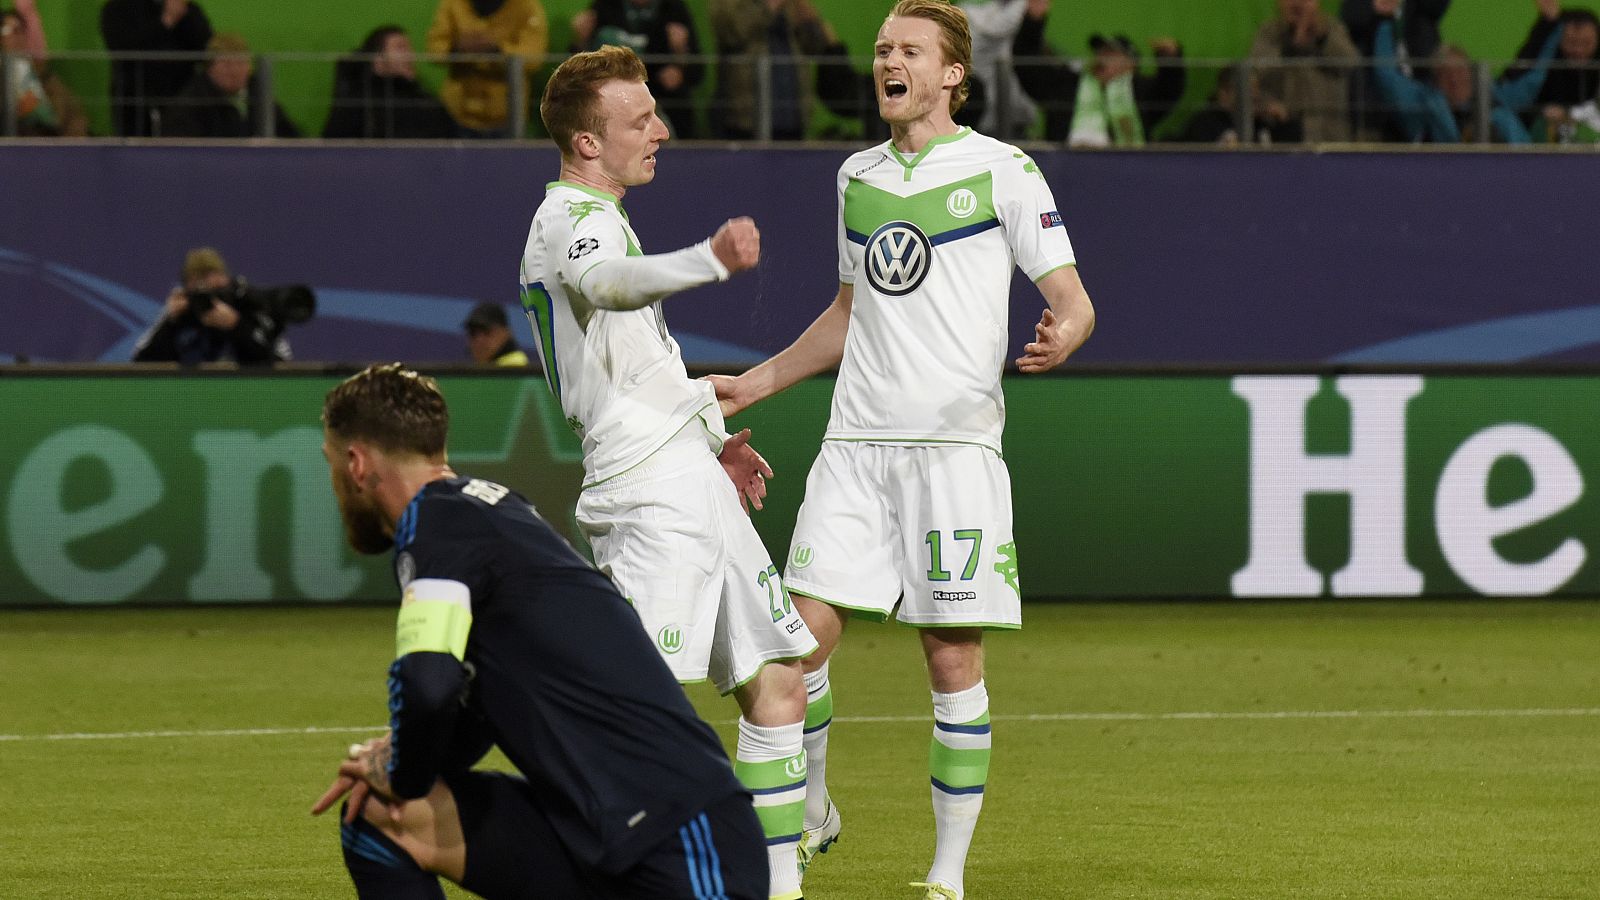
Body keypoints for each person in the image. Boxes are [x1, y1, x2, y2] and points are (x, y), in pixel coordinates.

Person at [708, 2, 1094, 898]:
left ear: (952, 73)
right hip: (854, 448)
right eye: (882, 48)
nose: (888, 60)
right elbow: (849, 313)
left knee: (951, 661)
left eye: (908, 50)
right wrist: (756, 382)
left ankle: (945, 877)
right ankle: (808, 822)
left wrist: (1065, 330)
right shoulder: (857, 176)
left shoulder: (1005, 171)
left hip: (953, 453)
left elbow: (1072, 297)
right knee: (792, 654)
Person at [521, 45, 816, 900]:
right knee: (640, 714)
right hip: (650, 495)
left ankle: (773, 888)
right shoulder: (578, 220)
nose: (662, 129)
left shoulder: (597, 210)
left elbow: (631, 357)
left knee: (778, 684)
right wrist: (708, 261)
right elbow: (608, 285)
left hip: (680, 472)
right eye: (639, 120)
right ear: (585, 142)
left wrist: (704, 422)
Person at [310, 363, 769, 900]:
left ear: (356, 463)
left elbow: (427, 684)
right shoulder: (491, 517)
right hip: (601, 834)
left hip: (685, 838)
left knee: (395, 802)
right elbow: (469, 711)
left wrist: (402, 772)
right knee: (383, 819)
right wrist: (392, 762)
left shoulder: (436, 524)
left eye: (331, 465)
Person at [1371, 4, 1562, 143]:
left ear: (1471, 73)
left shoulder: (1497, 98)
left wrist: (1551, 24)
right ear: (1435, 79)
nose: (1454, 79)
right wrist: (1385, 21)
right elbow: (1386, 73)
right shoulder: (1421, 103)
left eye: (1459, 70)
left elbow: (1535, 76)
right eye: (1445, 73)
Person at [1010, 0, 1184, 144]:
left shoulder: (1142, 91)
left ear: (1131, 64)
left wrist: (1169, 58)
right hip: (1064, 168)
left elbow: (1169, 90)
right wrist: (1032, 22)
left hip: (1129, 170)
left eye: (1111, 52)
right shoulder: (1068, 85)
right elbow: (1028, 68)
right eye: (1100, 51)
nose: (1102, 56)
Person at [131, 247, 306, 365]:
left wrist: (237, 326)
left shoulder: (247, 303)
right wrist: (170, 323)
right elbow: (140, 363)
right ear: (187, 287)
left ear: (226, 280)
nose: (210, 299)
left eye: (216, 289)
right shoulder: (178, 313)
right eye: (200, 289)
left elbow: (282, 364)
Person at [570, 0, 705, 138]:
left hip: (663, 103)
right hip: (612, 104)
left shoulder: (673, 8)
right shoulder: (605, 6)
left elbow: (697, 72)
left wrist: (681, 59)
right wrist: (581, 41)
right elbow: (575, 73)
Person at [709, 0, 836, 140]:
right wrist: (769, 6)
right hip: (745, 117)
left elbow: (814, 48)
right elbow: (730, 32)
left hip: (792, 116)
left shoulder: (791, 5)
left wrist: (810, 21)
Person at [426, 0, 549, 138]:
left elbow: (533, 57)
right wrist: (457, 49)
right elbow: (434, 48)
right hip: (456, 115)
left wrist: (496, 50)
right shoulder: (452, 4)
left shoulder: (527, 6)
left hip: (506, 116)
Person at [1249, 0, 1360, 143]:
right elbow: (1257, 69)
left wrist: (1322, 37)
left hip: (1329, 134)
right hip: (1282, 134)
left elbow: (1350, 63)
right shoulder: (1269, 32)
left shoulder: (1332, 29)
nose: (1297, 4)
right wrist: (1289, 47)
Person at [99, 0, 213, 137]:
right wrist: (166, 21)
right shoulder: (116, 8)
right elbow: (121, 48)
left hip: (182, 99)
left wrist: (182, 16)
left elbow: (206, 50)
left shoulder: (187, 9)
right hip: (133, 99)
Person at [1341, 0, 1451, 138]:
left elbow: (1436, 7)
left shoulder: (1418, 12)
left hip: (1423, 82)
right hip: (1374, 97)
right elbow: (1350, 18)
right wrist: (1376, 7)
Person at [324, 26, 455, 140]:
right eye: (400, 48)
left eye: (409, 48)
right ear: (377, 59)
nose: (410, 55)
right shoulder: (357, 104)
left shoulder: (427, 103)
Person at [162, 32, 301, 138]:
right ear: (210, 68)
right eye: (226, 64)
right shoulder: (191, 103)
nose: (234, 71)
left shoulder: (259, 95)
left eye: (241, 63)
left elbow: (291, 136)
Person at [2, 1, 89, 137]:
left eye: (20, 30)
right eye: (8, 30)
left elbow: (71, 117)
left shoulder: (43, 75)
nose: (16, 36)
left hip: (47, 144)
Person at [1511, 1, 1600, 132]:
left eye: (1586, 43)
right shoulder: (1545, 60)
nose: (1578, 50)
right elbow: (1516, 76)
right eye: (1571, 42)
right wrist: (1547, 23)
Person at [955, 0, 1035, 138]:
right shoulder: (970, 14)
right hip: (978, 107)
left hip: (1006, 109)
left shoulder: (996, 12)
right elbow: (999, 25)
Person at [1176, 63, 1304, 145]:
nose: (1254, 95)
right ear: (1224, 94)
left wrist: (1286, 122)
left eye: (1255, 89)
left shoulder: (1265, 124)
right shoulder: (1203, 125)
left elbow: (1292, 161)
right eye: (1246, 90)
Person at [463, 301, 529, 365]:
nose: (479, 340)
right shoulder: (486, 369)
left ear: (506, 332)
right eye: (473, 333)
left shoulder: (515, 366)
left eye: (487, 332)